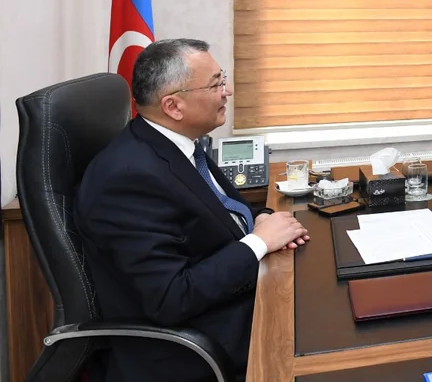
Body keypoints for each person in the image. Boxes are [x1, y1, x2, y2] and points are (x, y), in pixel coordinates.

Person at [77, 39, 309, 382]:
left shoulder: (175, 144)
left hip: (233, 301)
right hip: (197, 345)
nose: (227, 91)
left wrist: (258, 217)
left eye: (222, 79)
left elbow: (215, 210)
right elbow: (170, 297)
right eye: (215, 84)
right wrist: (259, 242)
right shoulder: (127, 179)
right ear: (173, 106)